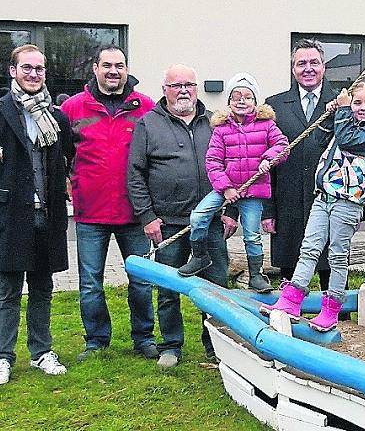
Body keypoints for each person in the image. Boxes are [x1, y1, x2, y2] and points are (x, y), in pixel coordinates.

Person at [262, 82, 365, 332]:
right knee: (309, 247)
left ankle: (332, 308)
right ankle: (291, 299)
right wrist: (331, 114)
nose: (362, 108)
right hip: (324, 195)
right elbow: (319, 140)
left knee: (336, 255)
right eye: (357, 103)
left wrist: (343, 111)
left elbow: (347, 142)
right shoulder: (345, 120)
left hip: (348, 199)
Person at [127, 64, 229, 367]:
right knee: (169, 289)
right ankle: (171, 345)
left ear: (196, 88)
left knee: (216, 290)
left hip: (210, 223)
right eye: (176, 85)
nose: (183, 90)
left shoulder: (215, 123)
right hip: (169, 224)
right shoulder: (148, 125)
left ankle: (217, 345)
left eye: (189, 84)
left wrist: (232, 211)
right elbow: (135, 174)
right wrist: (147, 217)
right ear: (164, 90)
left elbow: (235, 168)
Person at [60, 45, 158, 362]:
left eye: (119, 65)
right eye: (106, 65)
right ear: (95, 69)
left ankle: (143, 338)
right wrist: (71, 186)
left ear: (127, 69)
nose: (113, 71)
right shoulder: (73, 108)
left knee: (142, 282)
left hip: (135, 213)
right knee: (90, 284)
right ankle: (96, 340)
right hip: (90, 213)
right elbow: (62, 157)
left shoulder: (146, 108)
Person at [0, 45, 73, 384]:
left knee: (42, 288)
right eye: (27, 68)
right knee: (8, 291)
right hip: (9, 217)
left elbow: (67, 160)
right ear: (12, 70)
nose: (34, 74)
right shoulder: (1, 111)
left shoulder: (56, 117)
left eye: (40, 69)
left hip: (48, 214)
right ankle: (3, 356)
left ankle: (41, 352)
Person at [178, 74, 287, 294]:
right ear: (229, 101)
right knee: (198, 217)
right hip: (226, 187)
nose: (241, 101)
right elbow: (213, 161)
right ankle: (199, 256)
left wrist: (269, 158)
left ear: (255, 102)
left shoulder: (266, 125)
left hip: (253, 190)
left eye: (247, 97)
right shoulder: (221, 129)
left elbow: (283, 146)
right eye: (236, 96)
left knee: (252, 235)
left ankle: (256, 275)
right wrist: (226, 188)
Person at [258, 39, 337, 286]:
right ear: (293, 69)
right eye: (301, 63)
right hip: (287, 204)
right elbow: (266, 161)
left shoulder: (341, 104)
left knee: (331, 271)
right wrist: (268, 210)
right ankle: (286, 322)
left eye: (314, 62)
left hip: (329, 203)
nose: (308, 68)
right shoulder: (276, 105)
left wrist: (357, 212)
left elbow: (355, 158)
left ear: (324, 66)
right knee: (289, 278)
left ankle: (337, 322)